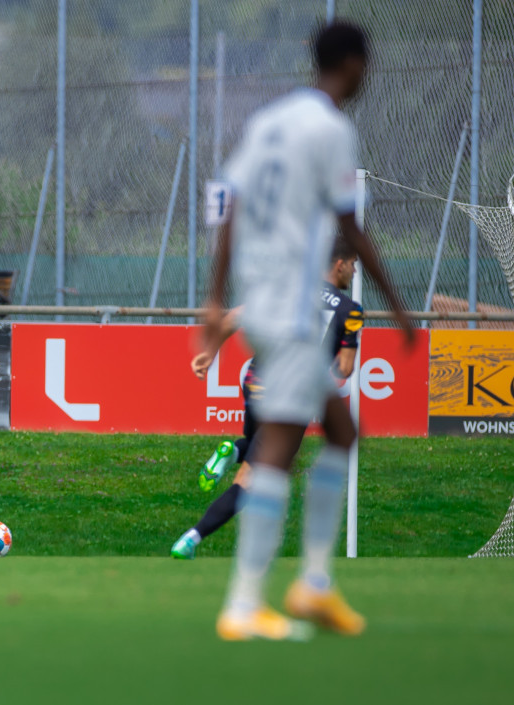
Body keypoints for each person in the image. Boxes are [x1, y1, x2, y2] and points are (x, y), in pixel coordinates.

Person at [198, 21, 414, 641]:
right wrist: (398, 306)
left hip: (263, 297)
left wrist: (218, 298)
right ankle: (245, 603)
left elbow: (231, 206)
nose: (368, 73)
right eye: (366, 63)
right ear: (350, 63)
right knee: (279, 447)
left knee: (341, 430)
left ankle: (315, 583)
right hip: (292, 306)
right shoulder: (331, 128)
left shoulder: (271, 120)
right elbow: (352, 227)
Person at [171, 237, 364, 560]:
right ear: (339, 263)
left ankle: (231, 450)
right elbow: (344, 369)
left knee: (256, 442)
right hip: (291, 396)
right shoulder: (350, 311)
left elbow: (234, 316)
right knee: (250, 481)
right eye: (354, 264)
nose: (356, 272)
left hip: (256, 382)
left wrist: (209, 353)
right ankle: (191, 538)